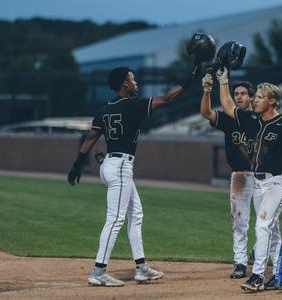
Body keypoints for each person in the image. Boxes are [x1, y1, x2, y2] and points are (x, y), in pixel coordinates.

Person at [67, 66, 196, 287]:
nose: (135, 83)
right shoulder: (134, 105)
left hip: (111, 164)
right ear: (124, 84)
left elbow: (90, 138)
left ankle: (141, 268)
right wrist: (192, 75)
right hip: (119, 167)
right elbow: (167, 98)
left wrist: (77, 164)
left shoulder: (104, 110)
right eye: (132, 79)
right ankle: (98, 272)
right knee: (115, 219)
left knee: (135, 213)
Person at [215, 68, 282, 292]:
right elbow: (227, 106)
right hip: (259, 183)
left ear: (272, 101)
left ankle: (257, 275)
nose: (255, 101)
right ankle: (281, 277)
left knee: (262, 225)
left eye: (261, 97)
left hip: (277, 183)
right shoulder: (253, 120)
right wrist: (223, 80)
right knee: (271, 231)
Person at [200, 73, 256, 279]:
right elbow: (205, 112)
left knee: (268, 223)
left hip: (263, 175)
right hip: (240, 175)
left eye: (243, 94)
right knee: (239, 221)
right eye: (236, 94)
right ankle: (240, 263)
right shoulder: (229, 119)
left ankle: (258, 252)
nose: (239, 97)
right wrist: (207, 90)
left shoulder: (258, 118)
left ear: (252, 97)